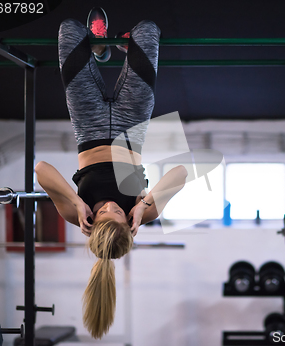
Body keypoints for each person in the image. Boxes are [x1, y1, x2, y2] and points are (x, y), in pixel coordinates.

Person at [34, 8, 187, 339]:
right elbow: (180, 172)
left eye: (105, 212)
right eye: (118, 212)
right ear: (129, 228)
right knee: (148, 28)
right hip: (132, 123)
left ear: (94, 225)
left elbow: (40, 169)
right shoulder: (140, 214)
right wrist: (145, 205)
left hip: (87, 125)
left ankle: (99, 51)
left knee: (69, 29)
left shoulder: (79, 216)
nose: (110, 207)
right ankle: (117, 50)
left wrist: (75, 202)